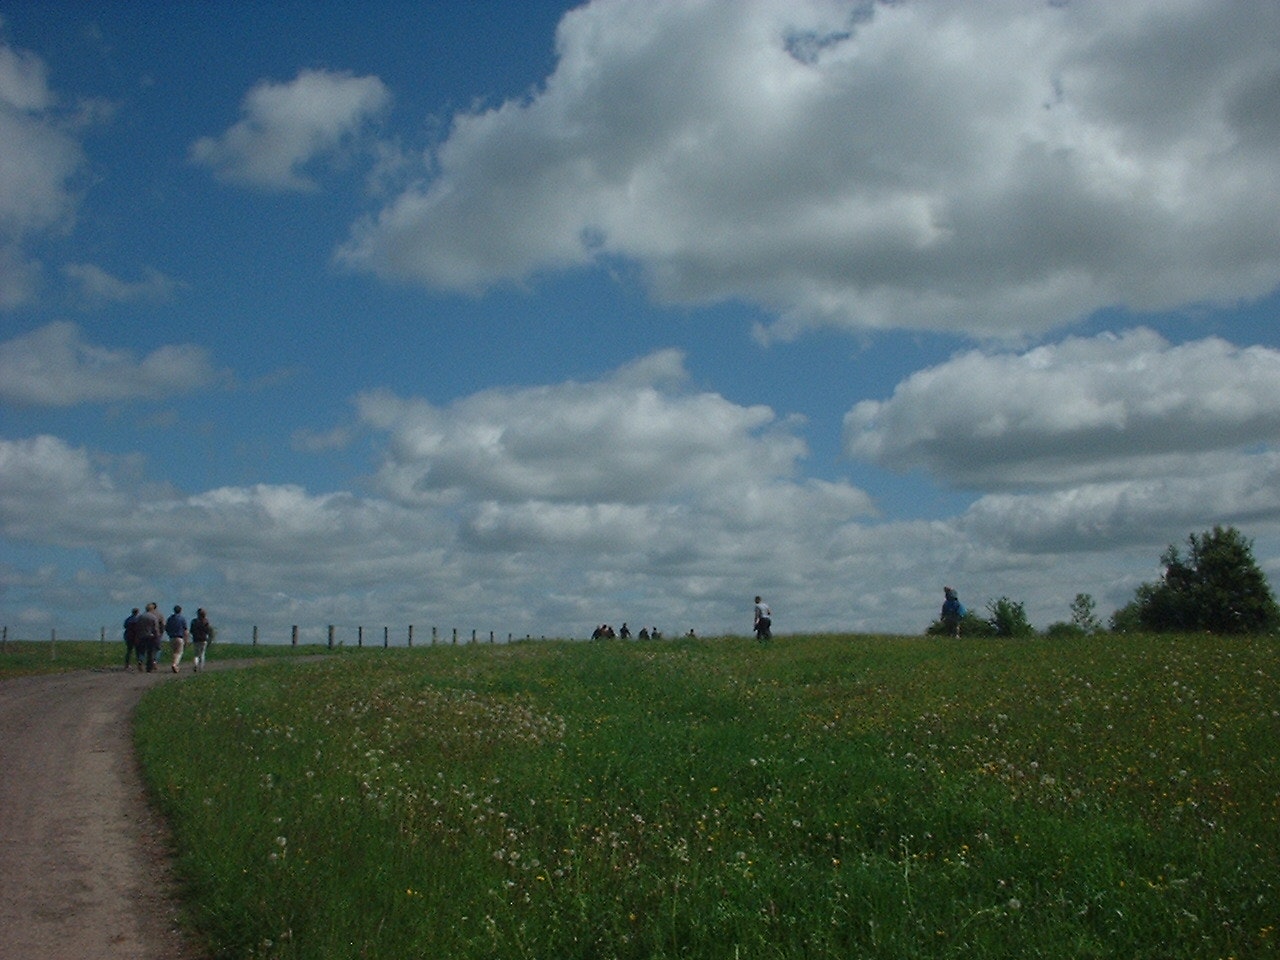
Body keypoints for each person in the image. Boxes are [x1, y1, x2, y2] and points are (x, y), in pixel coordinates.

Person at [136, 602, 163, 672]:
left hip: (142, 635)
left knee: (142, 650)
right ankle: (151, 664)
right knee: (151, 651)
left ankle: (140, 660)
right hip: (151, 636)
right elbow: (155, 628)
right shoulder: (153, 617)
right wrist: (157, 635)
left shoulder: (140, 617)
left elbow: (137, 626)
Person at [165, 605, 189, 673]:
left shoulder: (170, 618)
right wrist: (186, 639)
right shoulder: (182, 619)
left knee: (174, 652)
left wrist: (169, 633)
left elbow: (166, 628)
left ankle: (175, 664)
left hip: (172, 637)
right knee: (179, 653)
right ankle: (175, 664)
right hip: (179, 637)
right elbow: (185, 629)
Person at [189, 608, 213, 672]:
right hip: (203, 639)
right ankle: (201, 667)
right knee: (202, 654)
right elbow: (208, 631)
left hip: (196, 639)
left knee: (196, 654)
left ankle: (195, 664)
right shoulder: (206, 622)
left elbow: (191, 630)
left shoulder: (194, 621)